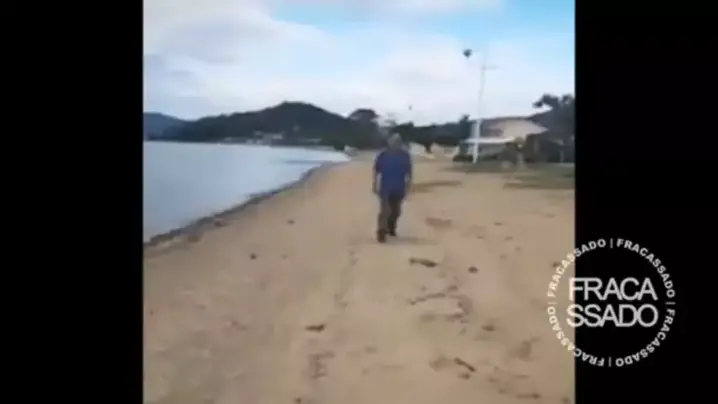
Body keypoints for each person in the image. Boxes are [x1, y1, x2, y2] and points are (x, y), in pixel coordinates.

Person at [373, 133, 413, 243]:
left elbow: (409, 172)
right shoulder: (383, 155)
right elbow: (376, 170)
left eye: (397, 142)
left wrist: (409, 185)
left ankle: (391, 227)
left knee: (396, 211)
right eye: (393, 142)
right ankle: (381, 231)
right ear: (389, 143)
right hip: (385, 188)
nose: (395, 144)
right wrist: (374, 184)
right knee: (385, 210)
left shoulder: (405, 156)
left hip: (399, 187)